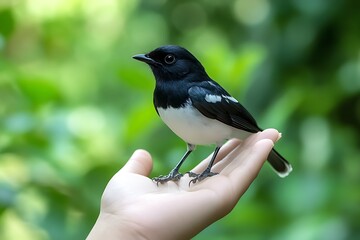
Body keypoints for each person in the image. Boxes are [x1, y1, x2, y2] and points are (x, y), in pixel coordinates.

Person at [87, 129, 281, 239]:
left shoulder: (195, 90)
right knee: (191, 147)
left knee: (222, 143)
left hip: (222, 128)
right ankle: (174, 172)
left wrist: (122, 228)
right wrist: (124, 227)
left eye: (168, 59)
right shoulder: (161, 98)